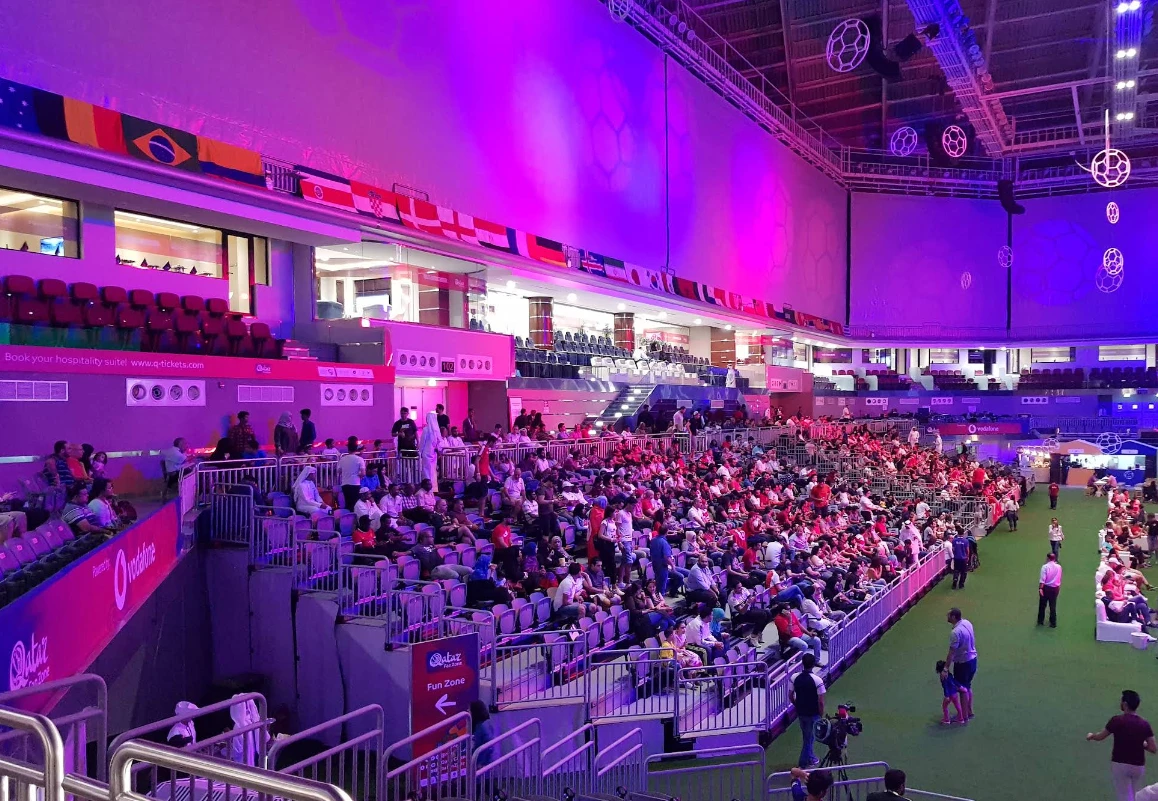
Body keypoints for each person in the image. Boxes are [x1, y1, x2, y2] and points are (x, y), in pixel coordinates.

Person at [1087, 690, 1157, 801]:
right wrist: (1142, 744)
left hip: (1120, 764)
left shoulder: (1116, 721)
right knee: (1135, 796)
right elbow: (1153, 748)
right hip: (1138, 766)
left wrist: (1091, 736)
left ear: (1125, 704)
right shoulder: (1144, 724)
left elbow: (1101, 736)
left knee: (1123, 796)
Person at [789, 652, 825, 768]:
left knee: (807, 736)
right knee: (809, 739)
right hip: (813, 713)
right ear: (813, 664)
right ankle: (803, 764)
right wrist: (820, 714)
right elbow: (820, 701)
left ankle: (811, 758)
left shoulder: (794, 677)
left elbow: (790, 695)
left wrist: (797, 705)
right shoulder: (817, 680)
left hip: (801, 713)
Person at [945, 608, 976, 722]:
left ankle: (963, 716)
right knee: (967, 686)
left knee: (962, 690)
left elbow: (951, 652)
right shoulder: (967, 622)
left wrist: (945, 668)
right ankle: (969, 711)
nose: (947, 616)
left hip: (962, 663)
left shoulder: (955, 633)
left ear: (953, 617)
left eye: (949, 615)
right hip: (973, 660)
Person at [338, 436, 366, 512]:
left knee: (348, 504)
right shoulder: (360, 459)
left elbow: (339, 471)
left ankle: (348, 520)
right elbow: (363, 473)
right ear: (356, 449)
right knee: (355, 504)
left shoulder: (342, 458)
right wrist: (357, 474)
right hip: (355, 483)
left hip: (345, 484)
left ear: (348, 449)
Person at [935, 660, 963, 726]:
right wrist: (960, 686)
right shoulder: (949, 674)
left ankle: (946, 720)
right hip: (955, 693)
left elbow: (945, 687)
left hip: (949, 695)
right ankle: (961, 718)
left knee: (944, 707)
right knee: (957, 705)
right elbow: (954, 681)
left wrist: (946, 695)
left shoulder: (942, 676)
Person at [1038, 551, 1062, 628]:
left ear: (1047, 558)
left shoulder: (1045, 567)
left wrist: (1040, 588)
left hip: (1046, 588)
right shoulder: (1059, 567)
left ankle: (1040, 621)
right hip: (1055, 588)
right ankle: (1053, 623)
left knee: (1042, 605)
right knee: (1053, 606)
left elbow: (1042, 579)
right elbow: (1059, 578)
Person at [418, 410, 440, 485]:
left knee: (426, 471)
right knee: (433, 471)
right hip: (433, 454)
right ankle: (433, 487)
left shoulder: (426, 429)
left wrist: (419, 452)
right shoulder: (437, 430)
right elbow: (439, 443)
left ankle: (427, 487)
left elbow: (422, 443)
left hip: (426, 453)